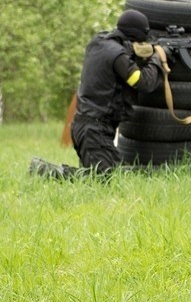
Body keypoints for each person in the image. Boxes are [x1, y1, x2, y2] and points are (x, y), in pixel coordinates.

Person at [30, 9, 164, 179]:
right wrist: (157, 59)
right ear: (137, 36)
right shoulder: (119, 56)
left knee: (97, 176)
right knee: (105, 179)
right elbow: (143, 82)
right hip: (95, 130)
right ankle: (44, 171)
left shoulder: (99, 42)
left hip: (83, 126)